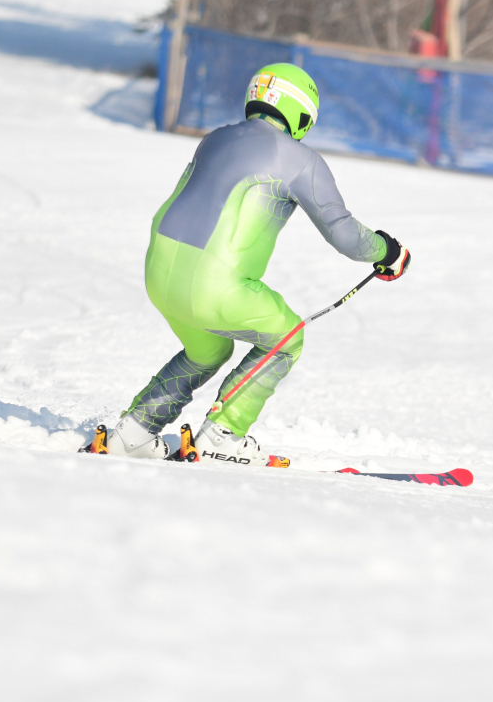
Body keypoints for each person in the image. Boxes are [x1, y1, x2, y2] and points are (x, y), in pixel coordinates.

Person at [98, 63, 411, 464]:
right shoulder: (300, 159)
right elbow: (344, 235)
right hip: (213, 286)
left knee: (207, 352)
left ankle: (133, 432)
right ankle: (222, 435)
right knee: (286, 337)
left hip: (159, 274)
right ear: (302, 115)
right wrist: (388, 252)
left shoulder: (214, 139)